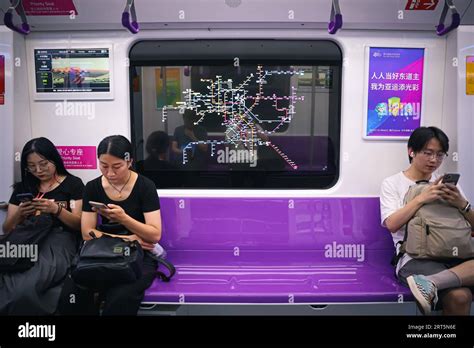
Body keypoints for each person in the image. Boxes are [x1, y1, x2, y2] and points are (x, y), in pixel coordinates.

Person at [59, 135, 161, 315]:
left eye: (117, 166)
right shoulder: (92, 187)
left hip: (138, 254)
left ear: (129, 161)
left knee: (121, 295)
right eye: (103, 166)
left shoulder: (145, 186)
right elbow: (86, 232)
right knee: (75, 288)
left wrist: (124, 219)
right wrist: (129, 239)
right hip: (103, 250)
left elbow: (154, 235)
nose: (110, 173)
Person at [380, 126, 474, 315]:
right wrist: (422, 198)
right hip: (415, 258)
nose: (434, 160)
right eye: (428, 153)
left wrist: (461, 204)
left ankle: (430, 283)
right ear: (411, 151)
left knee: (461, 296)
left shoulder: (448, 185)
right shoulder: (392, 183)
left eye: (440, 155)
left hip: (454, 255)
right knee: (460, 297)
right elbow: (392, 224)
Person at [0, 137, 84, 315]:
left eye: (43, 164)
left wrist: (56, 210)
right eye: (31, 166)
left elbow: (79, 225)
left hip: (58, 241)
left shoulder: (73, 184)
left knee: (26, 287)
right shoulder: (24, 187)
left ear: (54, 159)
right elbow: (7, 228)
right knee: (10, 279)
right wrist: (20, 213)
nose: (38, 170)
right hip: (25, 239)